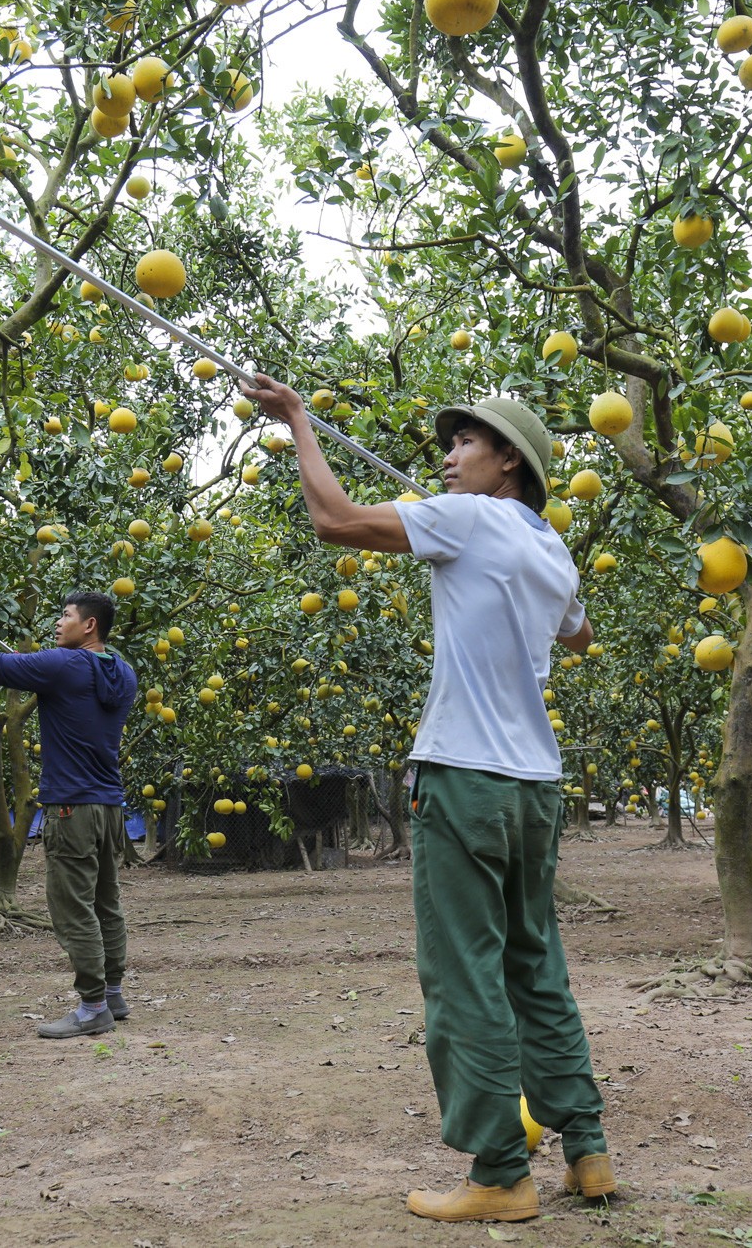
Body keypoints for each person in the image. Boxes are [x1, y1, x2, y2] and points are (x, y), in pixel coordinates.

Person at [239, 375, 612, 1222]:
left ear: (508, 460)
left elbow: (333, 520)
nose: (446, 457)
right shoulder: (552, 550)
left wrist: (299, 419)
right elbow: (580, 633)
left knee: (466, 973)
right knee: (535, 963)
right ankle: (586, 1148)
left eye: (464, 445)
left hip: (466, 778)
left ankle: (499, 1173)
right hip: (535, 788)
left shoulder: (469, 519)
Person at [0, 591, 139, 1038]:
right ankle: (113, 994)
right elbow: (56, 679)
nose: (58, 622)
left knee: (73, 908)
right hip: (109, 806)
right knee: (106, 903)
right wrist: (38, 666)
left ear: (89, 625)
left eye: (66, 615)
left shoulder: (64, 664)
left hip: (71, 808)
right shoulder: (124, 673)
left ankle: (93, 1007)